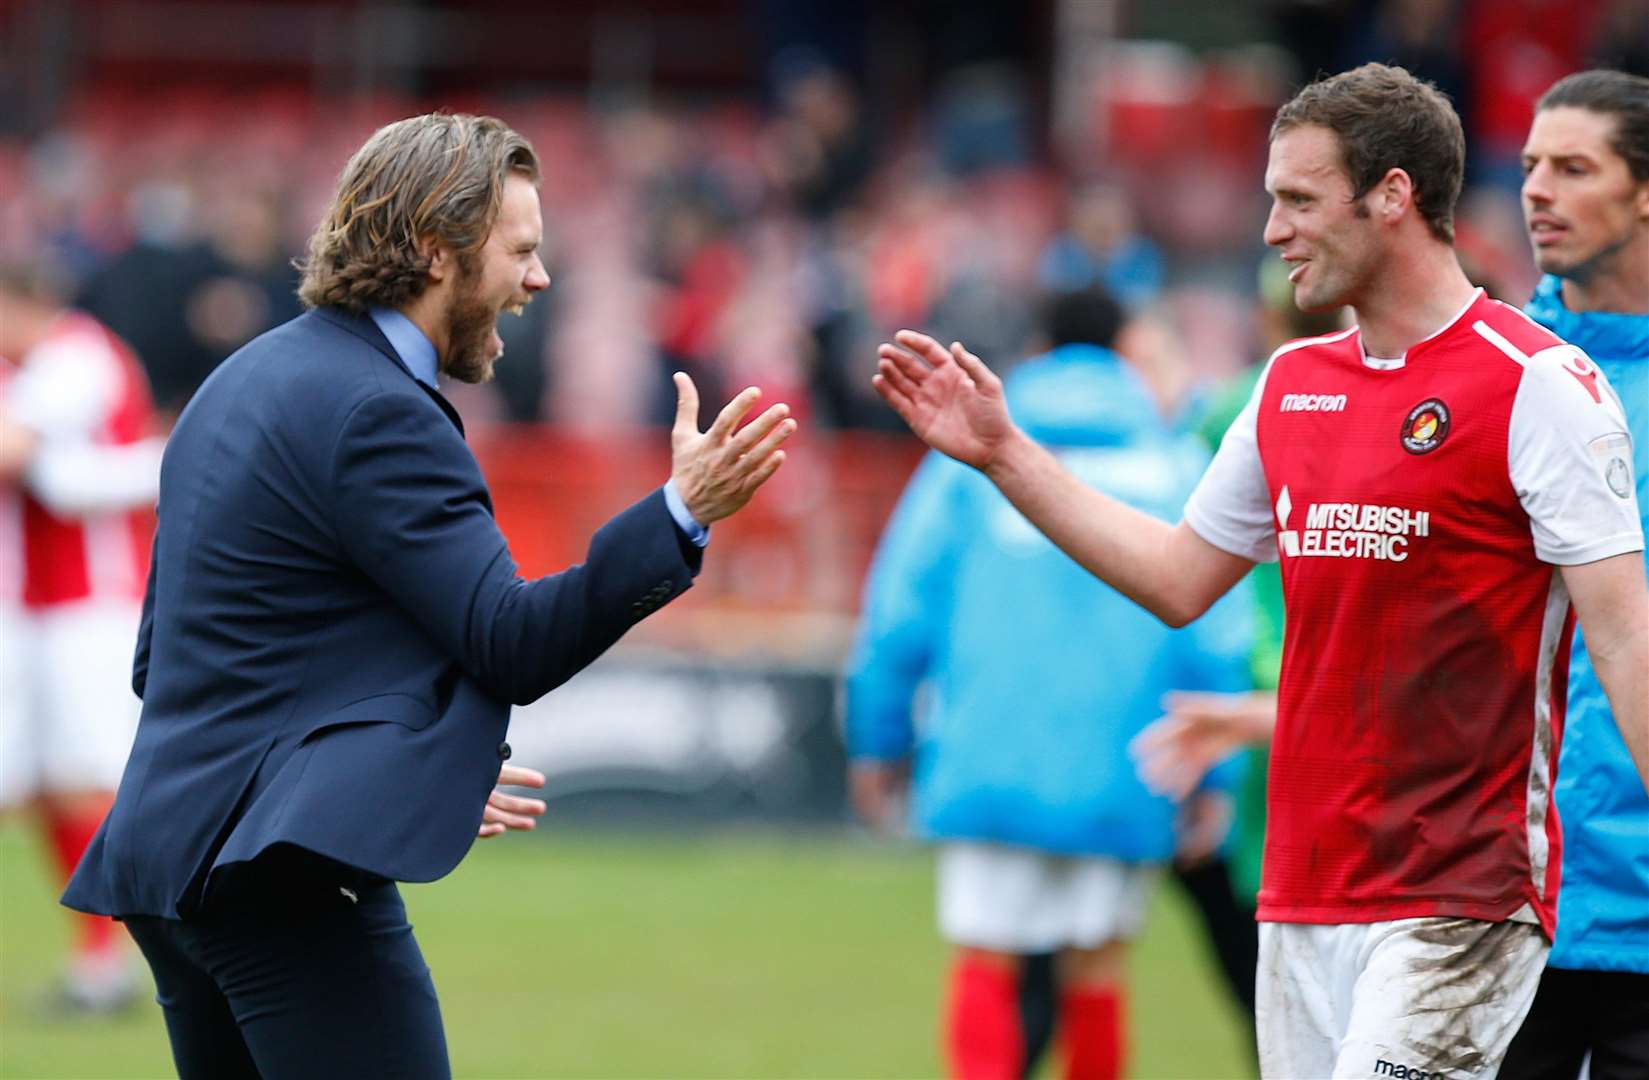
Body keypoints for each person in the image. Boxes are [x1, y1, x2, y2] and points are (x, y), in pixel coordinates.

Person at [872, 63, 1648, 1079]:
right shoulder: (1288, 386)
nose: (1272, 231)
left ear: (1391, 197)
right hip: (1299, 894)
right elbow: (1176, 576)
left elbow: (1623, 636)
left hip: (1459, 900)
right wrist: (1003, 454)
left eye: (1295, 200)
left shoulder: (1537, 385)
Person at [60, 112, 795, 1078]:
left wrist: (389, 766)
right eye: (521, 251)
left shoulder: (244, 380)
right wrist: (679, 513)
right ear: (430, 249)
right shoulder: (375, 408)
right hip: (280, 882)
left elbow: (181, 654)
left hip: (169, 873)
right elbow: (511, 640)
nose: (538, 280)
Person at [847, 286, 1254, 1080]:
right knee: (1097, 967)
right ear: (1125, 349)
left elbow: (899, 612)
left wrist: (878, 743)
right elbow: (1217, 630)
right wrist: (1217, 771)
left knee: (985, 959)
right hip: (1122, 761)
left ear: (1038, 347)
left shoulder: (972, 458)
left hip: (987, 756)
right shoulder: (1172, 464)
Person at [1500, 68, 1649, 1080]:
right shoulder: (1492, 371)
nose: (1536, 191)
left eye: (1572, 167)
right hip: (1505, 902)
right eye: (1527, 168)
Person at [0, 266, 166, 1014]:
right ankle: (99, 956)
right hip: (34, 605)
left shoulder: (77, 355)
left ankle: (131, 955)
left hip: (92, 604)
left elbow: (15, 450)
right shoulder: (32, 366)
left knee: (87, 778)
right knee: (39, 785)